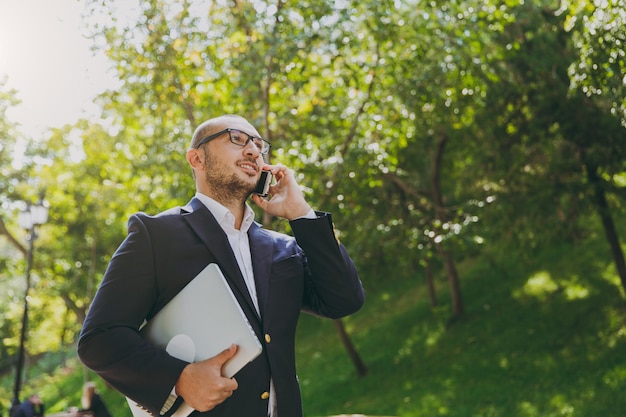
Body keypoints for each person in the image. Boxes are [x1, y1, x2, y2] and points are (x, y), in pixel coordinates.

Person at [77, 114, 365, 417]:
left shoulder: (283, 248)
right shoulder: (155, 236)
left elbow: (344, 299)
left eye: (258, 144)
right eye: (237, 138)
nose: (253, 150)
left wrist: (300, 213)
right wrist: (180, 378)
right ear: (196, 158)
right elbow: (99, 339)